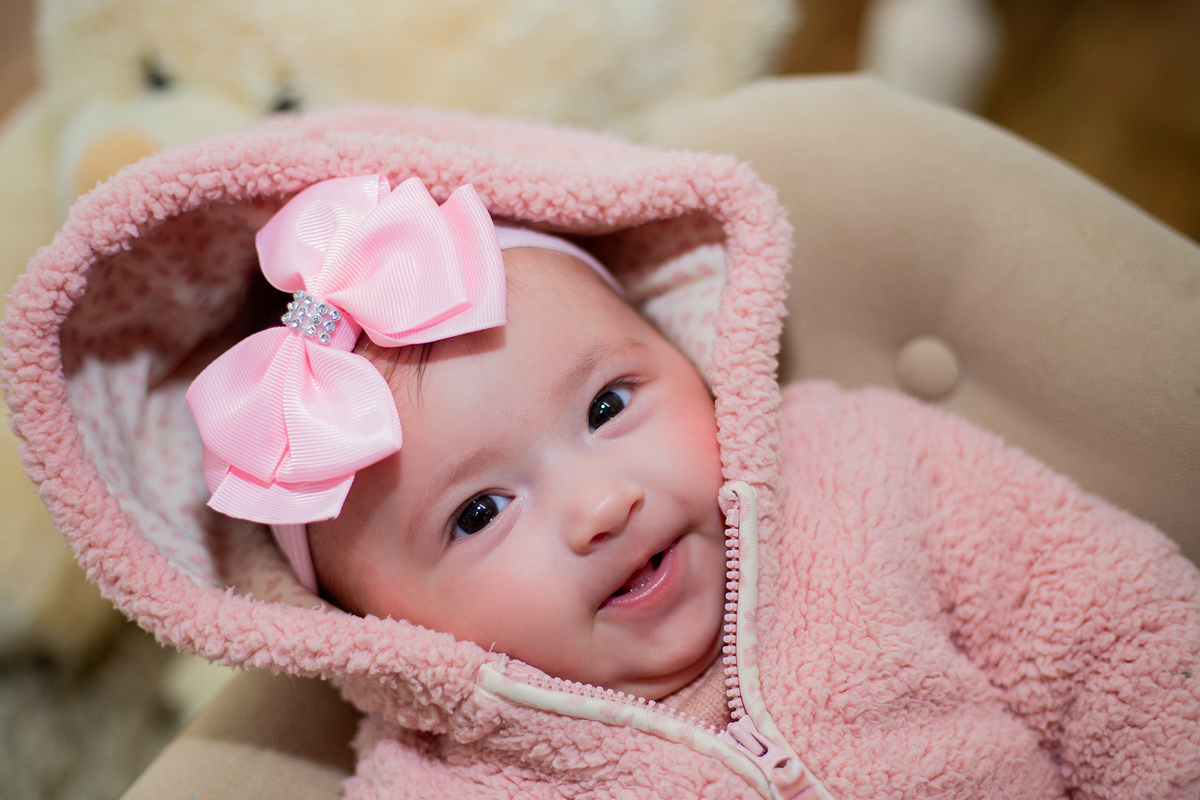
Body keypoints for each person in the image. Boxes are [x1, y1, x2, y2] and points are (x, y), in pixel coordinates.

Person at [9, 105, 1199, 799]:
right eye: (477, 513)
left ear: (682, 347)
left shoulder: (860, 463)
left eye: (610, 404)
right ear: (380, 628)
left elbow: (1116, 635)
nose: (598, 504)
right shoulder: (444, 776)